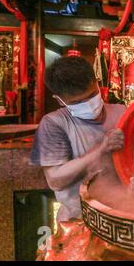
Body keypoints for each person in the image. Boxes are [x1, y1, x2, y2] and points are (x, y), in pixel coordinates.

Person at [30, 56, 125, 222]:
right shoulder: (53, 124)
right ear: (59, 100)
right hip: (79, 219)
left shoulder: (122, 112)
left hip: (124, 212)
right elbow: (55, 179)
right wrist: (101, 149)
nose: (89, 104)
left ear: (97, 83)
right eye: (78, 101)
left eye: (92, 95)